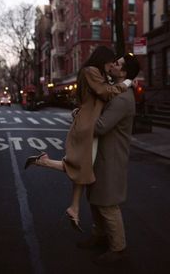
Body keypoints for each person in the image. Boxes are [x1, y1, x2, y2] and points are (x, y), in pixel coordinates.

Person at [24, 46, 133, 231]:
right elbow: (105, 92)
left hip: (87, 123)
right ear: (103, 59)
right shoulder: (90, 71)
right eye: (111, 63)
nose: (111, 66)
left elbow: (95, 96)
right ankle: (45, 163)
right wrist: (126, 84)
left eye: (116, 64)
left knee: (83, 168)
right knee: (81, 167)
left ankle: (73, 207)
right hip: (87, 127)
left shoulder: (95, 73)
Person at [78, 53, 140, 265]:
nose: (113, 65)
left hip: (111, 158)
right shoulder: (115, 93)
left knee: (108, 204)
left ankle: (118, 248)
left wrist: (80, 119)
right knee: (95, 200)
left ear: (123, 72)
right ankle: (100, 236)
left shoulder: (122, 99)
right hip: (101, 156)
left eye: (118, 64)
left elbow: (101, 126)